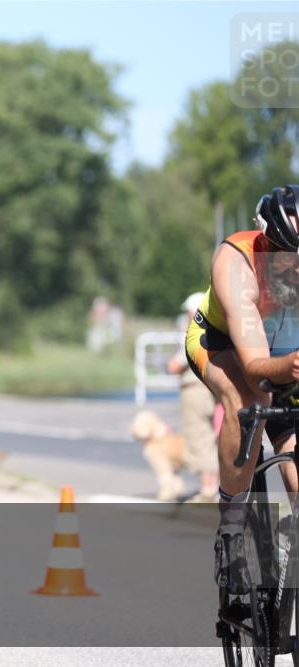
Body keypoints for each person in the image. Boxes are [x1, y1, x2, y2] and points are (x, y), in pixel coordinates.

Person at [184, 184, 299, 593]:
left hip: (286, 352)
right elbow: (255, 371)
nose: (297, 269)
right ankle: (231, 530)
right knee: (246, 403)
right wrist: (292, 365)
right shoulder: (236, 264)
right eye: (288, 257)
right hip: (224, 346)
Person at [168, 292, 219, 502]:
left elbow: (176, 365)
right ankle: (213, 486)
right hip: (209, 390)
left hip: (195, 390)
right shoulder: (215, 331)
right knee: (210, 437)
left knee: (200, 437)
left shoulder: (196, 333)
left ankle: (208, 489)